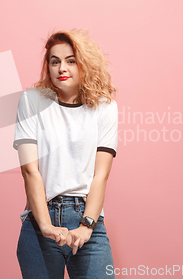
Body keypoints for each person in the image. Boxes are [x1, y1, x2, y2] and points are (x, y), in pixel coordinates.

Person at [13, 28, 118, 278]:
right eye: (54, 61)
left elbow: (100, 176)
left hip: (87, 217)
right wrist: (46, 226)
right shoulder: (31, 102)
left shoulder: (105, 108)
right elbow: (30, 172)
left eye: (71, 61)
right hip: (41, 219)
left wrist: (87, 225)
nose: (62, 68)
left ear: (84, 64)